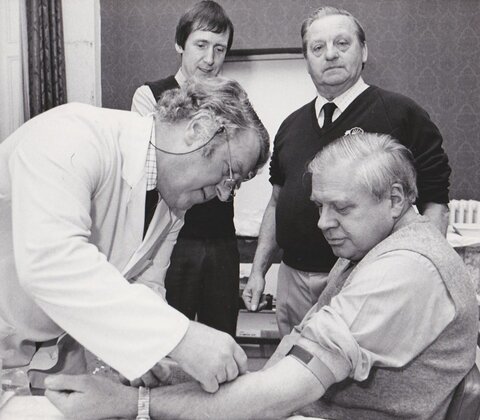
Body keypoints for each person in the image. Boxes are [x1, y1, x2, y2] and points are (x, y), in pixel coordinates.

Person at [45, 133, 477, 420]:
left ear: (396, 199)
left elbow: (277, 396)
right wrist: (178, 374)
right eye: (319, 206)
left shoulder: (405, 270)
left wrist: (134, 404)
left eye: (341, 208)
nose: (324, 222)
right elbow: (283, 369)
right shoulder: (371, 249)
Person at [0, 76, 270, 394]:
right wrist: (180, 338)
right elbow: (51, 262)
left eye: (235, 184)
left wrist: (147, 352)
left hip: (50, 345)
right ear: (198, 129)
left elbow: (145, 283)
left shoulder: (172, 204)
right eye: (229, 172)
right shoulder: (71, 136)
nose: (225, 195)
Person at [242, 6, 452, 337]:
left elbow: (436, 203)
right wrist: (258, 270)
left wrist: (419, 278)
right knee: (292, 369)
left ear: (363, 50)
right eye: (318, 47)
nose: (330, 55)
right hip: (292, 279)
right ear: (306, 59)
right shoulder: (290, 126)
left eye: (342, 43)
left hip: (367, 280)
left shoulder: (402, 114)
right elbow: (276, 201)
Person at [132, 1, 240, 337]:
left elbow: (240, 162)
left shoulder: (232, 99)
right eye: (201, 45)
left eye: (219, 49)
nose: (210, 59)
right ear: (181, 44)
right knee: (166, 340)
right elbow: (159, 167)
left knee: (221, 338)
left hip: (222, 238)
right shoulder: (149, 95)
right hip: (171, 240)